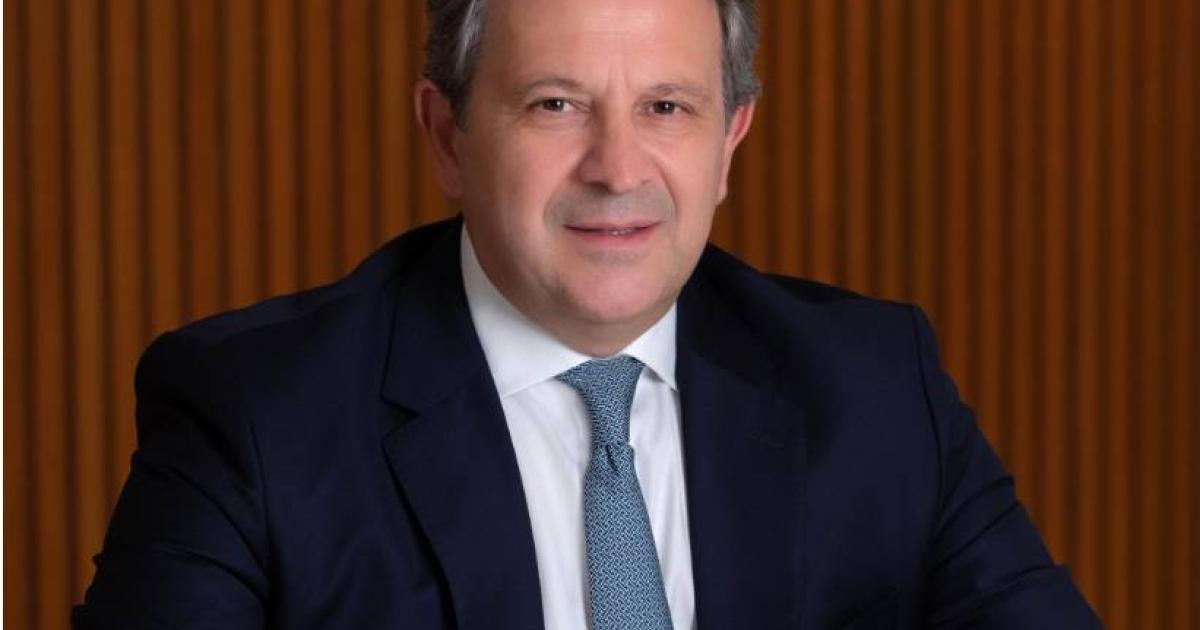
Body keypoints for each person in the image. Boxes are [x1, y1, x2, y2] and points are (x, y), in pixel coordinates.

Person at [73, 0, 1103, 628]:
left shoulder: (874, 384)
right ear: (447, 136)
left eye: (667, 107)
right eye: (555, 104)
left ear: (730, 140)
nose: (617, 168)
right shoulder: (256, 415)